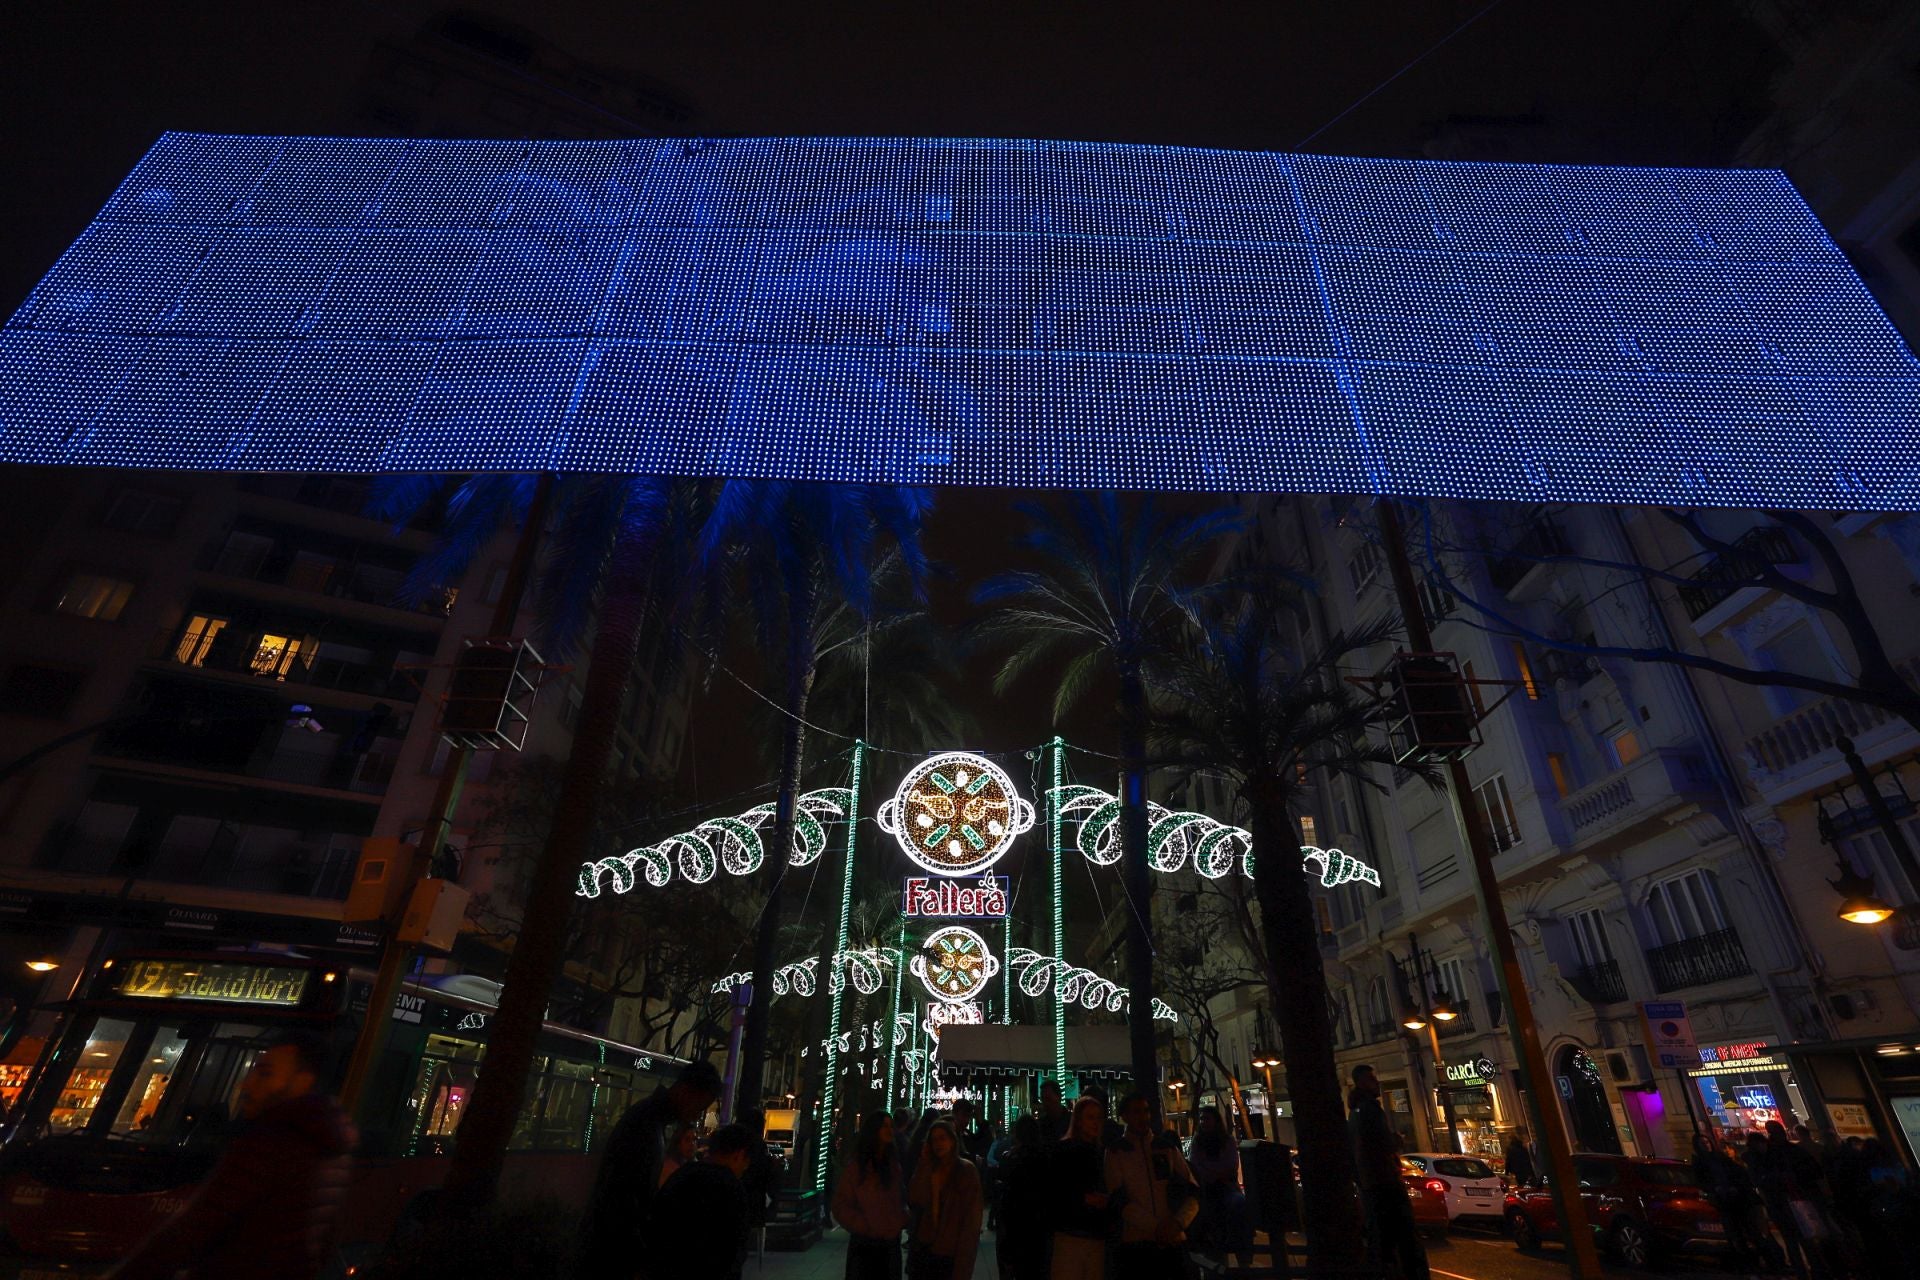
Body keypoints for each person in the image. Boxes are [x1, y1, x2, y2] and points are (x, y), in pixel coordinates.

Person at [108, 1031, 356, 1280]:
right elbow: (326, 1246)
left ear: (303, 1082)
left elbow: (192, 1230)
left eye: (265, 1073)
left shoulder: (268, 1144)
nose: (246, 1084)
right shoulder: (332, 1146)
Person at [579, 1058, 722, 1277]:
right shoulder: (647, 1126)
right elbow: (626, 1196)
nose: (697, 1115)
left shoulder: (649, 1120)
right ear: (686, 1091)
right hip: (615, 1250)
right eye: (699, 1106)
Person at [642, 1123, 755, 1280]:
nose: (745, 1167)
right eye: (746, 1161)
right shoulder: (732, 1189)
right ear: (739, 1155)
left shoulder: (682, 1174)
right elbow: (733, 1249)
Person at [1104, 1092, 1198, 1280]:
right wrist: (1165, 1226)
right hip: (1139, 1244)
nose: (1143, 1117)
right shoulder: (1116, 1152)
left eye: (1146, 1111)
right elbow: (1118, 1199)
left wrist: (1177, 1223)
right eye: (1137, 1112)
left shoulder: (1166, 1147)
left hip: (1169, 1240)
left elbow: (1192, 1190)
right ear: (1125, 1116)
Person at [1349, 1064, 1428, 1280]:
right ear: (1363, 1082)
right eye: (1372, 1079)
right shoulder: (1370, 1110)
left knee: (1381, 1239)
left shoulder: (1354, 1112)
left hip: (1370, 1184)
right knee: (1401, 1237)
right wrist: (1396, 1140)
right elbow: (1382, 1142)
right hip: (1384, 1182)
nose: (1377, 1083)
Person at [834, 1110, 910, 1280]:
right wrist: (864, 1226)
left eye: (891, 1126)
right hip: (865, 1245)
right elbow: (840, 1205)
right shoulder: (857, 1167)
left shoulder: (893, 1164)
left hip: (890, 1243)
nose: (889, 1130)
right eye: (884, 1126)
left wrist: (900, 1220)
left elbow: (900, 1198)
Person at [907, 1120, 983, 1280]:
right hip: (925, 1247)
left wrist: (965, 1260)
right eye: (934, 1140)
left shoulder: (966, 1171)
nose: (938, 1144)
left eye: (942, 1138)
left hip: (950, 1250)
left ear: (952, 1140)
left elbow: (972, 1220)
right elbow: (915, 1198)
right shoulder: (929, 1168)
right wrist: (924, 1163)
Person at [1048, 1096, 1111, 1280]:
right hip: (1072, 1235)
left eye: (1099, 1118)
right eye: (1090, 1117)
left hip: (1092, 1234)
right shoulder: (1067, 1151)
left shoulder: (1100, 1152)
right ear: (1078, 1120)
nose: (1095, 1123)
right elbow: (1056, 1191)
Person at [1188, 1106, 1251, 1271]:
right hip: (1207, 1190)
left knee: (1239, 1205)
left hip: (1226, 1188)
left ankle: (1242, 1257)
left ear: (1216, 1121)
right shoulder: (1197, 1142)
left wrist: (1209, 1171)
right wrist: (1216, 1172)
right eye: (1201, 1119)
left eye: (1206, 1119)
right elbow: (1196, 1167)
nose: (1203, 1122)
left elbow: (1230, 1167)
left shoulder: (1227, 1140)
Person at [995, 1116, 1051, 1280]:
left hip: (1018, 1229)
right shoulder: (1045, 1157)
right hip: (1040, 1230)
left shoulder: (1012, 1159)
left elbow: (1008, 1203)